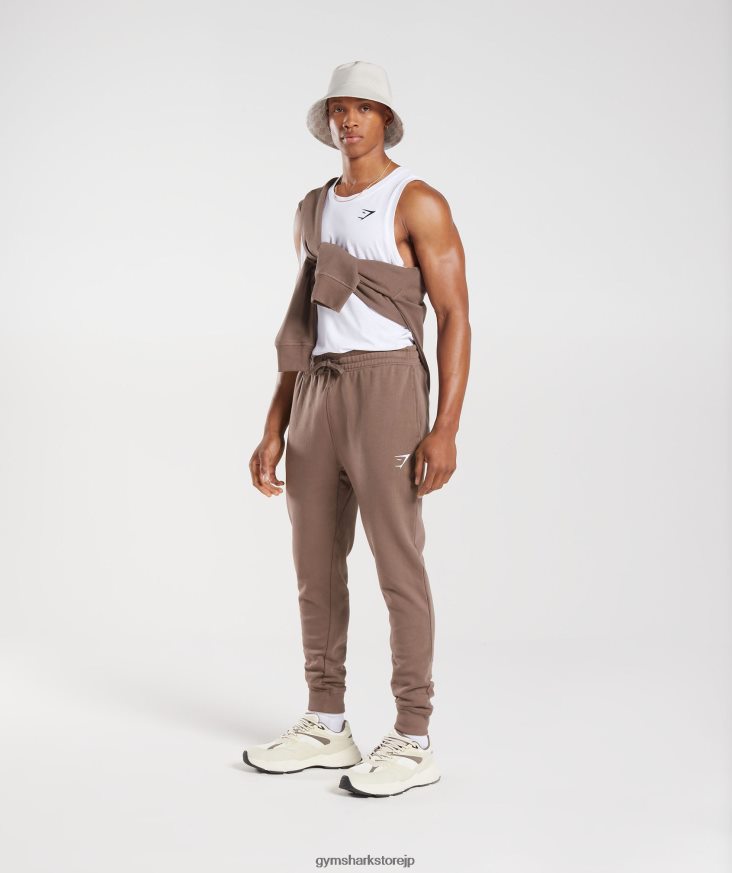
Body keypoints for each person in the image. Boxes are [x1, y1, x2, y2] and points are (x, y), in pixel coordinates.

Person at [243, 61, 471, 798]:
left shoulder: (417, 200)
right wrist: (274, 425)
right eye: (339, 108)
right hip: (318, 388)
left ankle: (413, 736)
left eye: (363, 108)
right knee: (314, 565)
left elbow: (455, 315)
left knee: (398, 564)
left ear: (386, 120)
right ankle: (326, 723)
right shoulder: (311, 208)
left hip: (388, 388)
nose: (349, 120)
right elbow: (304, 322)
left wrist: (445, 426)